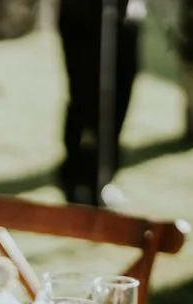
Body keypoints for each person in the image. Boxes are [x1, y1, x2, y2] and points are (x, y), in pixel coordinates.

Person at [56, 0, 145, 207]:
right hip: (84, 16)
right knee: (85, 97)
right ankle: (77, 181)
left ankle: (103, 179)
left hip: (125, 16)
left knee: (120, 97)